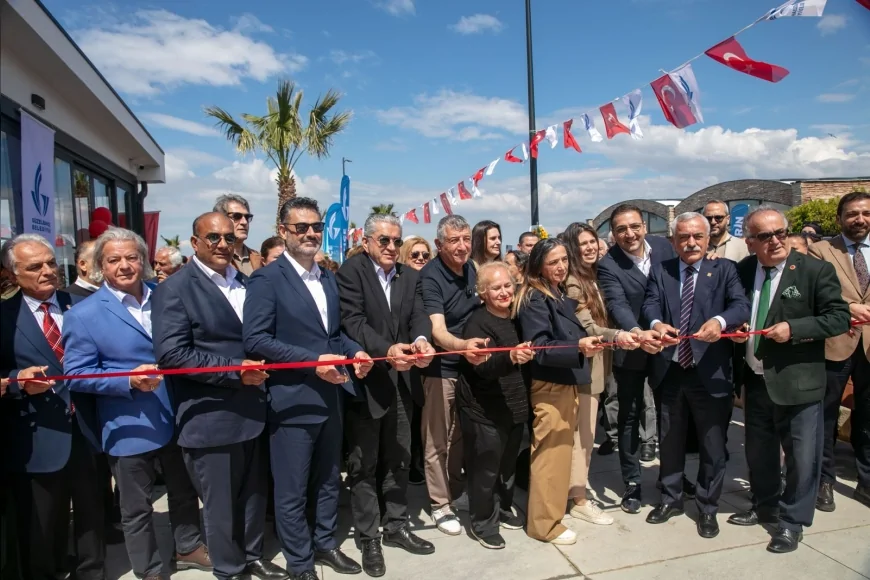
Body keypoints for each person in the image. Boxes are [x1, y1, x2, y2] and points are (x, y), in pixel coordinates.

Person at [62, 228, 211, 580]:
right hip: (128, 421)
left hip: (178, 412)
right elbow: (76, 375)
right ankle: (149, 568)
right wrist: (127, 379)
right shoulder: (82, 315)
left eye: (132, 257)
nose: (125, 266)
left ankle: (187, 547)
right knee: (136, 507)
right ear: (100, 265)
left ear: (143, 260)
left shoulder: (166, 295)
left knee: (184, 491)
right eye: (114, 260)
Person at [151, 213, 287, 580]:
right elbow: (172, 356)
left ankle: (253, 556)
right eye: (213, 238)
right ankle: (229, 570)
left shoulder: (246, 282)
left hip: (255, 410)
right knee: (221, 506)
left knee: (254, 496)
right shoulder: (174, 289)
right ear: (194, 243)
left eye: (229, 238)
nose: (223, 245)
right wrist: (235, 371)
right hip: (211, 416)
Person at [243, 197, 373, 580]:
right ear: (283, 231)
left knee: (329, 478)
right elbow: (257, 340)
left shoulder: (327, 277)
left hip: (330, 396)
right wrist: (313, 362)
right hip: (291, 400)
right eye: (301, 227)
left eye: (315, 226)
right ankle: (300, 562)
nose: (311, 233)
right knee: (292, 489)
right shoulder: (266, 279)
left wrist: (356, 351)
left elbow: (333, 336)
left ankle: (326, 544)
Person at [728, 206, 851, 553]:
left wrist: (794, 329)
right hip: (755, 379)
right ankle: (764, 504)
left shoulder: (814, 270)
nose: (776, 241)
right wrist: (739, 332)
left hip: (798, 381)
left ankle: (792, 522)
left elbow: (838, 318)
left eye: (780, 233)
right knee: (759, 452)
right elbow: (741, 311)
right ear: (750, 242)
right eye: (765, 236)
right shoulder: (744, 270)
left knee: (800, 456)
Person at [336, 214, 437, 577]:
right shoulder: (351, 272)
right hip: (368, 382)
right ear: (367, 242)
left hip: (404, 383)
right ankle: (369, 538)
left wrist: (422, 340)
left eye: (396, 240)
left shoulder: (410, 275)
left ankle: (396, 526)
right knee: (364, 465)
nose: (392, 247)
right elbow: (353, 322)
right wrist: (388, 349)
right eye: (384, 241)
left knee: (399, 457)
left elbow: (419, 315)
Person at [0, 234, 106, 580]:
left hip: (86, 425)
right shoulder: (4, 316)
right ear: (13, 274)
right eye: (35, 267)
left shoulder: (81, 304)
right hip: (37, 431)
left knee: (92, 511)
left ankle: (91, 571)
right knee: (43, 519)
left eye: (50, 262)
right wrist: (17, 379)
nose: (48, 271)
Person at [640, 212, 750, 538]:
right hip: (671, 371)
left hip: (711, 373)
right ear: (673, 241)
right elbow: (649, 305)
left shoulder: (725, 269)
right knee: (670, 441)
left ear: (707, 239)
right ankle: (671, 498)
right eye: (684, 237)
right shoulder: (662, 272)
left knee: (712, 445)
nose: (691, 243)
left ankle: (707, 507)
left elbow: (741, 306)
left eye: (697, 237)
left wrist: (719, 321)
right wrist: (657, 325)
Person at [515, 238, 605, 545]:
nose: (561, 266)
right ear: (538, 265)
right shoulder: (534, 297)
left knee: (560, 453)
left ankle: (551, 515)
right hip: (550, 385)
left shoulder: (554, 292)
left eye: (564, 260)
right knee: (550, 456)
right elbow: (540, 346)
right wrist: (578, 346)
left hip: (564, 381)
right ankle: (543, 525)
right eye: (553, 262)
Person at [596, 204, 674, 512]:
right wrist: (636, 333)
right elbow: (617, 304)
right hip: (631, 349)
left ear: (645, 226)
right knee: (627, 417)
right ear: (613, 234)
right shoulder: (608, 264)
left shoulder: (665, 247)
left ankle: (670, 476)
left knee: (670, 415)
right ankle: (632, 482)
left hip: (666, 346)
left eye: (634, 227)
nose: (630, 234)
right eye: (621, 230)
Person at [562, 223, 639, 525]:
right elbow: (588, 328)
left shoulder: (593, 275)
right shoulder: (573, 282)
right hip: (585, 365)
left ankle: (576, 490)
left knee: (586, 432)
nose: (590, 247)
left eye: (593, 241)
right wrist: (619, 335)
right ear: (572, 248)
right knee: (584, 435)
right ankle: (578, 498)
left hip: (599, 363)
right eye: (583, 244)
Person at [417, 215, 488, 536]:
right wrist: (463, 346)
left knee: (461, 436)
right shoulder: (431, 277)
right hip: (442, 368)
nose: (461, 246)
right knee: (437, 440)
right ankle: (439, 505)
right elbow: (437, 330)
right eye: (453, 241)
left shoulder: (472, 269)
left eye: (465, 239)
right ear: (439, 245)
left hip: (471, 368)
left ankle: (456, 493)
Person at [457, 262, 532, 549]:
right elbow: (482, 369)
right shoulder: (477, 323)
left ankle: (502, 509)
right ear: (482, 293)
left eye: (507, 285)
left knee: (507, 467)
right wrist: (510, 358)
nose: (504, 292)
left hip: (514, 407)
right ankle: (483, 524)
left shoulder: (518, 318)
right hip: (484, 410)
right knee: (485, 470)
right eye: (495, 287)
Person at [808, 191, 870, 510]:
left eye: (865, 213)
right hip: (835, 341)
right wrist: (850, 307)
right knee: (826, 413)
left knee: (868, 416)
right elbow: (815, 292)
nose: (859, 219)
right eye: (852, 214)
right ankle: (824, 480)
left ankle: (866, 481)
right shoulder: (820, 250)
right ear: (839, 218)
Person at [396, 235, 433, 485]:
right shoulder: (399, 281)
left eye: (425, 255)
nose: (421, 259)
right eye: (415, 255)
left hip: (429, 357)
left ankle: (417, 463)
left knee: (422, 418)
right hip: (401, 359)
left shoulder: (429, 281)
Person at [214, 194, 263, 275]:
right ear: (220, 219)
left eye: (247, 217)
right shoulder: (212, 258)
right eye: (237, 216)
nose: (244, 222)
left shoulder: (258, 258)